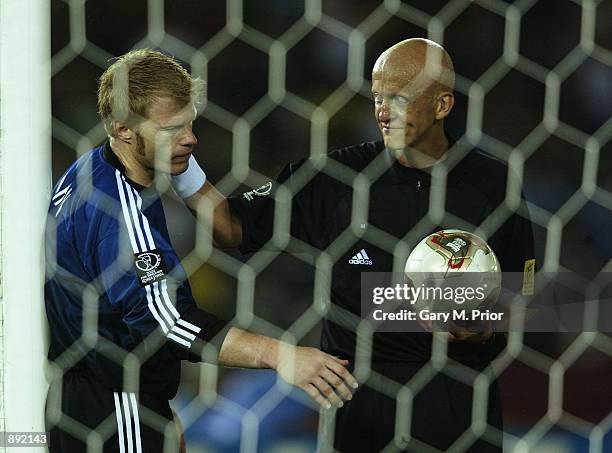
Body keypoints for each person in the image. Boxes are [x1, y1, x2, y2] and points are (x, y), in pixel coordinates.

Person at [174, 38, 536, 452]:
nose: (383, 112)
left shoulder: (493, 183)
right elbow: (231, 228)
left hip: (458, 407)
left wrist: (481, 329)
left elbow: (523, 290)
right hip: (360, 412)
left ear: (442, 105)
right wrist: (180, 163)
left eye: (398, 98)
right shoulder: (334, 180)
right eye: (378, 97)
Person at [44, 49, 358, 453]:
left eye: (190, 124)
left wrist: (156, 406)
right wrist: (282, 355)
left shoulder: (91, 168)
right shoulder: (121, 215)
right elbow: (171, 324)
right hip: (115, 411)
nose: (191, 139)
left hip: (102, 401)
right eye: (172, 129)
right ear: (123, 129)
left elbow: (224, 228)